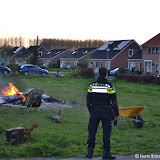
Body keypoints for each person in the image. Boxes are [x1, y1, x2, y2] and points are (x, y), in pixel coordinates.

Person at [86, 67, 119, 159]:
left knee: (92, 131)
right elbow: (114, 102)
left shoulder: (92, 85)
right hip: (106, 111)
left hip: (95, 111)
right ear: (106, 75)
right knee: (106, 132)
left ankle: (90, 152)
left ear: (99, 74)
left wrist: (91, 111)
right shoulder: (109, 86)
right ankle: (106, 153)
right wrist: (116, 114)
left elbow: (88, 100)